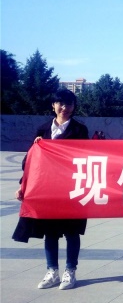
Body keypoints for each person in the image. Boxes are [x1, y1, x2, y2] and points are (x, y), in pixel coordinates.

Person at [13, 89, 89, 290]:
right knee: (50, 232)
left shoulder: (80, 130)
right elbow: (30, 162)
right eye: (61, 103)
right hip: (48, 191)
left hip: (71, 189)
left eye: (69, 104)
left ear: (74, 107)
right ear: (53, 105)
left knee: (72, 232)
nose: (65, 108)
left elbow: (86, 158)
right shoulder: (43, 129)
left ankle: (70, 270)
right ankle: (52, 271)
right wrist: (23, 185)